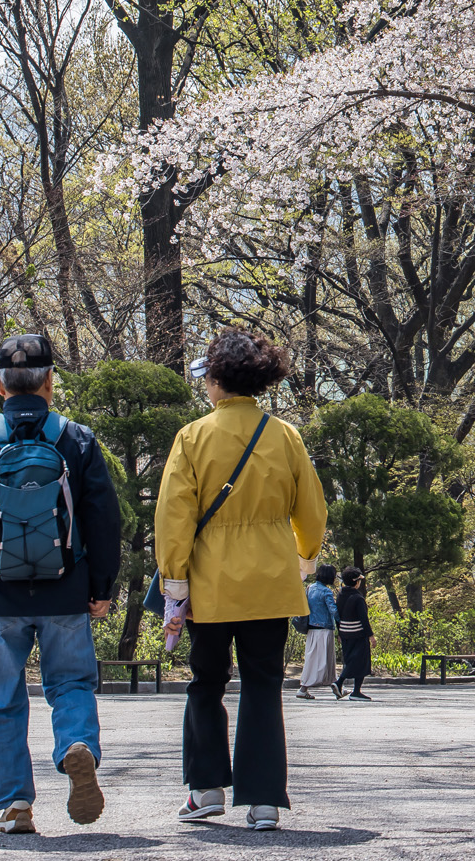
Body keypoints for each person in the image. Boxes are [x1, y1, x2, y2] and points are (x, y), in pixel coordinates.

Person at [0, 334, 120, 836]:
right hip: (66, 589)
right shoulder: (76, 439)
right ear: (51, 381)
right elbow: (103, 519)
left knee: (1, 698)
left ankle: (15, 805)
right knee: (72, 683)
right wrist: (102, 586)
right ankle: (76, 744)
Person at [157, 329, 326, 832]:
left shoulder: (192, 437)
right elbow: (311, 512)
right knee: (263, 685)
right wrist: (303, 560)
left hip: (209, 584)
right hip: (271, 583)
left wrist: (175, 583)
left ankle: (206, 790)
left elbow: (174, 517)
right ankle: (264, 799)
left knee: (206, 682)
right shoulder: (285, 435)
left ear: (216, 380)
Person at [296, 564, 337, 699]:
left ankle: (336, 685)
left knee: (312, 658)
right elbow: (333, 611)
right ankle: (303, 688)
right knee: (326, 659)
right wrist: (343, 620)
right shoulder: (326, 592)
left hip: (311, 629)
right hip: (324, 629)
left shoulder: (310, 588)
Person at [333, 567, 373, 700]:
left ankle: (344, 686)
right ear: (356, 582)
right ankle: (350, 688)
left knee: (350, 659)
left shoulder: (340, 595)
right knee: (361, 661)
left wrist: (339, 631)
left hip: (344, 633)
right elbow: (364, 619)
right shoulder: (357, 598)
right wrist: (370, 635)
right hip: (358, 634)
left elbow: (337, 615)